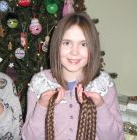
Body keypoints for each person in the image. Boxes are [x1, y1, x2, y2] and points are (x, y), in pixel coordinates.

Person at [21, 12, 124, 140]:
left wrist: (100, 106)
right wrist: (42, 106)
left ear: (92, 48)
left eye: (83, 44)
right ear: (56, 45)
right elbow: (29, 137)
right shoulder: (40, 83)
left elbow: (116, 137)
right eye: (67, 43)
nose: (74, 52)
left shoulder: (103, 84)